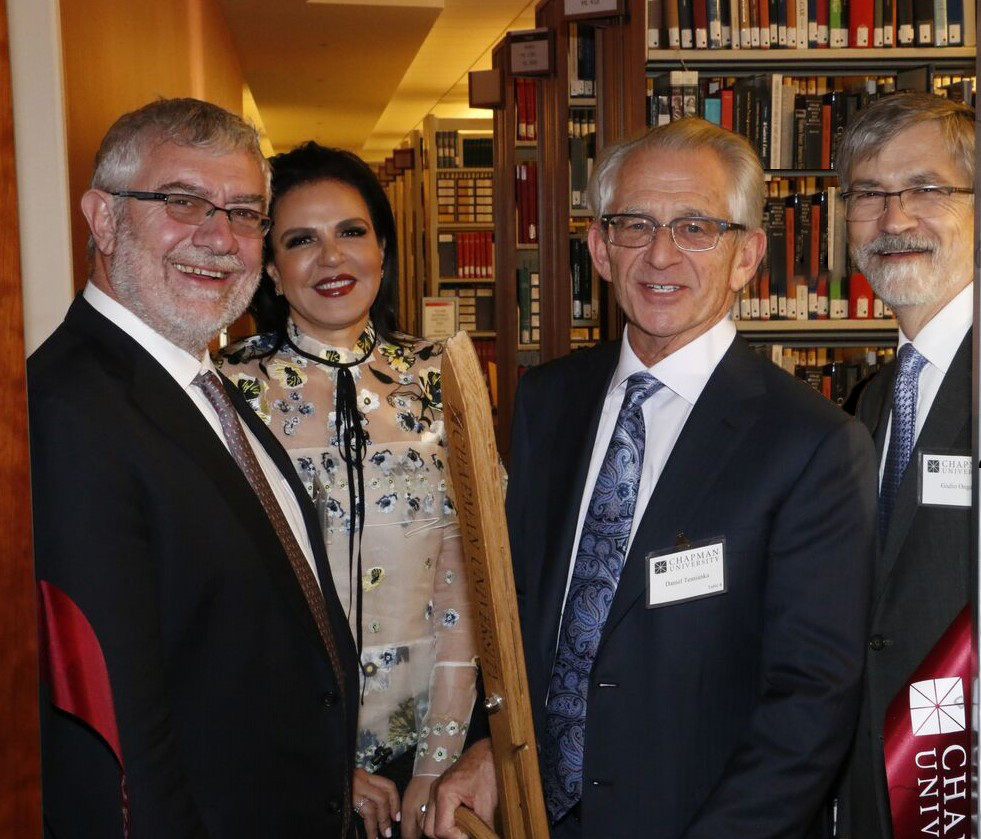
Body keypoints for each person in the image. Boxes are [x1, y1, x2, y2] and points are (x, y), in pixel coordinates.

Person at [425, 118, 878, 839]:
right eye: (634, 225)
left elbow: (809, 704)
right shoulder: (546, 399)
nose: (660, 253)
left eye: (696, 226)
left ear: (746, 256)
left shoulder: (812, 444)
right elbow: (517, 608)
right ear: (600, 249)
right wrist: (494, 747)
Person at [29, 99, 360, 838]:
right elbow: (115, 732)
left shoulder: (202, 387)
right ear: (103, 218)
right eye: (183, 202)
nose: (219, 237)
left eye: (244, 212)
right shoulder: (69, 411)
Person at [219, 142, 477, 839]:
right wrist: (318, 760)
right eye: (301, 239)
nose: (331, 258)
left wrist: (436, 765)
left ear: (383, 250)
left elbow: (466, 584)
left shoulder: (441, 379)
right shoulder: (226, 396)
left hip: (425, 769)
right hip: (276, 764)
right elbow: (230, 611)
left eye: (351, 232)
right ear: (271, 267)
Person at [833, 93, 975, 839]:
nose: (893, 219)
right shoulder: (869, 401)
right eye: (867, 195)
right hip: (875, 794)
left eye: (925, 188)